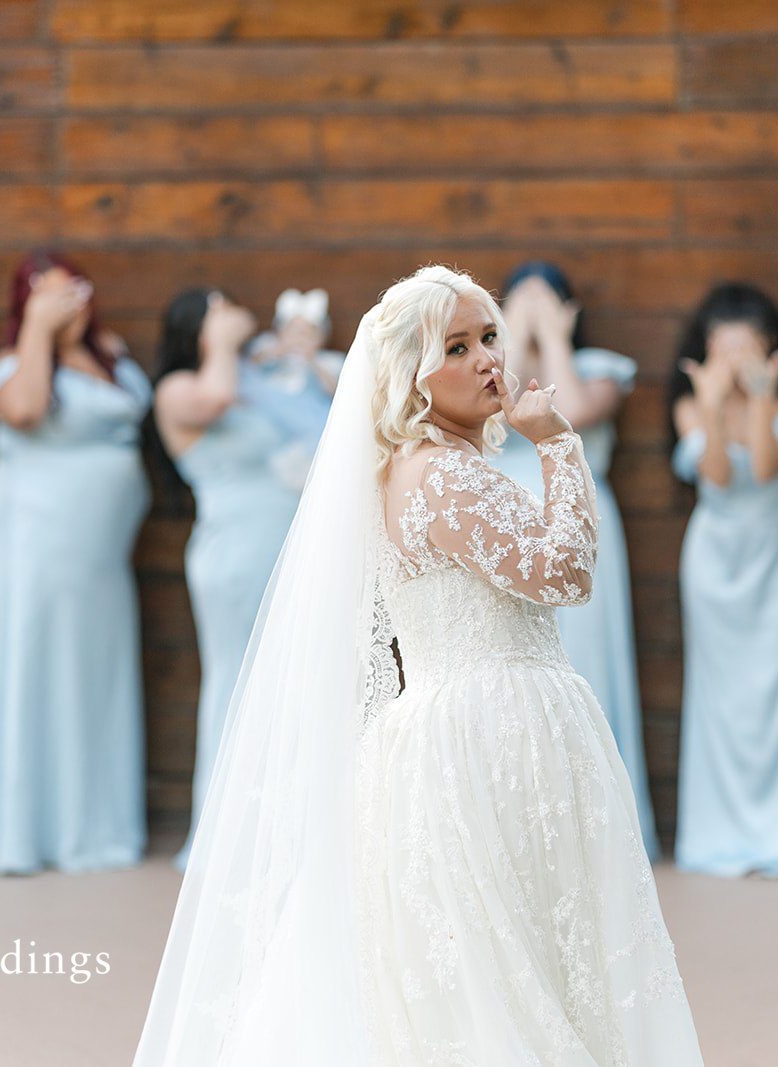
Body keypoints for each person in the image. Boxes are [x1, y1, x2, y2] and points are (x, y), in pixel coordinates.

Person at [134, 265, 702, 1065]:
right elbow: (566, 573)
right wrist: (557, 442)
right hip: (493, 732)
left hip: (455, 729)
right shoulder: (444, 474)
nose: (487, 359)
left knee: (497, 967)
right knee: (514, 974)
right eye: (456, 347)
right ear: (411, 375)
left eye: (490, 337)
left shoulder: (404, 471)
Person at [0, 252, 151, 874]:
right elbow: (26, 410)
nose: (68, 305)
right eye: (50, 296)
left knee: (91, 679)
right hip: (35, 548)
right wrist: (37, 330)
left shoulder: (110, 357)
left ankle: (91, 824)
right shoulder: (12, 366)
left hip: (99, 561)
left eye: (75, 290)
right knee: (35, 668)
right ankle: (22, 832)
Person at [152, 288, 332, 869]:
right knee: (238, 681)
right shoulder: (180, 387)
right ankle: (229, 837)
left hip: (287, 548)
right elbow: (217, 397)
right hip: (234, 552)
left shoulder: (257, 376)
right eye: (218, 307)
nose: (233, 311)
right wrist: (228, 346)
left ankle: (290, 832)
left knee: (294, 680)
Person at [493, 259, 658, 856]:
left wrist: (555, 339)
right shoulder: (490, 378)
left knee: (582, 658)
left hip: (580, 526)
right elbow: (493, 421)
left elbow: (577, 414)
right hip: (509, 533)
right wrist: (512, 336)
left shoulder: (596, 369)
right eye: (521, 302)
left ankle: (598, 828)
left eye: (546, 302)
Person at [669, 282, 778, 878]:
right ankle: (719, 835)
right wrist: (712, 407)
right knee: (720, 702)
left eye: (746, 345)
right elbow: (715, 473)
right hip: (716, 565)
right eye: (723, 346)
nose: (735, 359)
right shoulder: (691, 406)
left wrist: (762, 397)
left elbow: (763, 467)